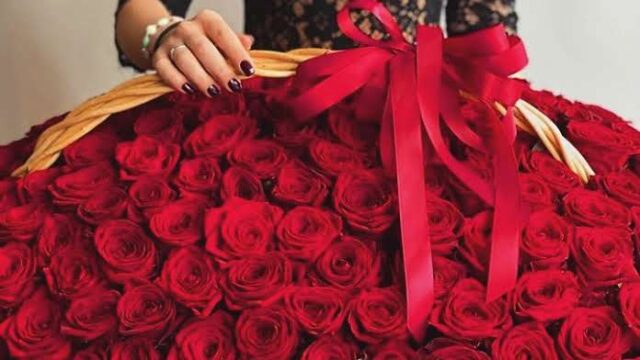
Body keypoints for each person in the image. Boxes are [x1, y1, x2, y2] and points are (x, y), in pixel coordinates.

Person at [115, 0, 517, 96]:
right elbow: (136, 9)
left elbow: (487, 44)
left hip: (414, 121)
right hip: (267, 116)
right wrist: (166, 34)